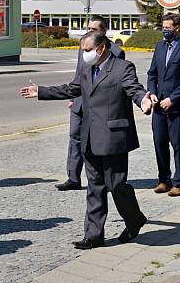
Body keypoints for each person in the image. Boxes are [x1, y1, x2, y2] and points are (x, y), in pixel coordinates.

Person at [20, 30, 153, 249]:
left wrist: (143, 101)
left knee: (117, 185)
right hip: (89, 138)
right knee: (95, 187)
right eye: (83, 51)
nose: (84, 55)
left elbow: (134, 89)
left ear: (101, 49)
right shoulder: (87, 69)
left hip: (113, 139)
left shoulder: (122, 68)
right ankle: (93, 236)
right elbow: (72, 89)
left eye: (88, 50)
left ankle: (134, 219)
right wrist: (41, 91)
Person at [56, 15, 125, 191]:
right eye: (88, 28)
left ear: (104, 31)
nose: (89, 31)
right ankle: (73, 178)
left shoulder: (116, 52)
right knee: (74, 138)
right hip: (80, 101)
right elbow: (79, 74)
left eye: (93, 29)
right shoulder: (85, 45)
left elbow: (116, 81)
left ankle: (102, 179)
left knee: (96, 141)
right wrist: (73, 97)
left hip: (99, 105)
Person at [147, 13, 180, 197]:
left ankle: (179, 182)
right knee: (159, 143)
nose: (165, 30)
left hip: (177, 106)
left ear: (177, 28)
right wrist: (151, 93)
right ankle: (163, 180)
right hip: (158, 105)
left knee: (178, 144)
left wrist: (173, 99)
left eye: (168, 27)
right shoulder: (159, 46)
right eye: (163, 26)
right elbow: (152, 73)